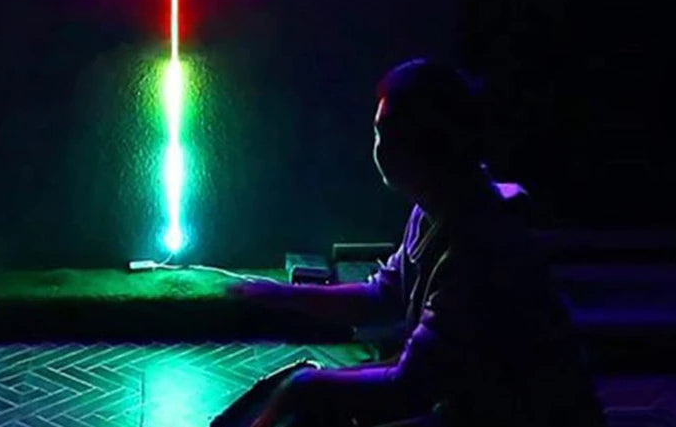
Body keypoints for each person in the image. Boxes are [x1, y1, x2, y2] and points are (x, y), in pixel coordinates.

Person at [224, 59, 606, 427]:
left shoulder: (479, 243)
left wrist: (304, 387)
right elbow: (382, 296)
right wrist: (277, 295)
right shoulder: (433, 207)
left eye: (393, 134)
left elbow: (410, 387)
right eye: (379, 132)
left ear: (438, 141)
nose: (380, 148)